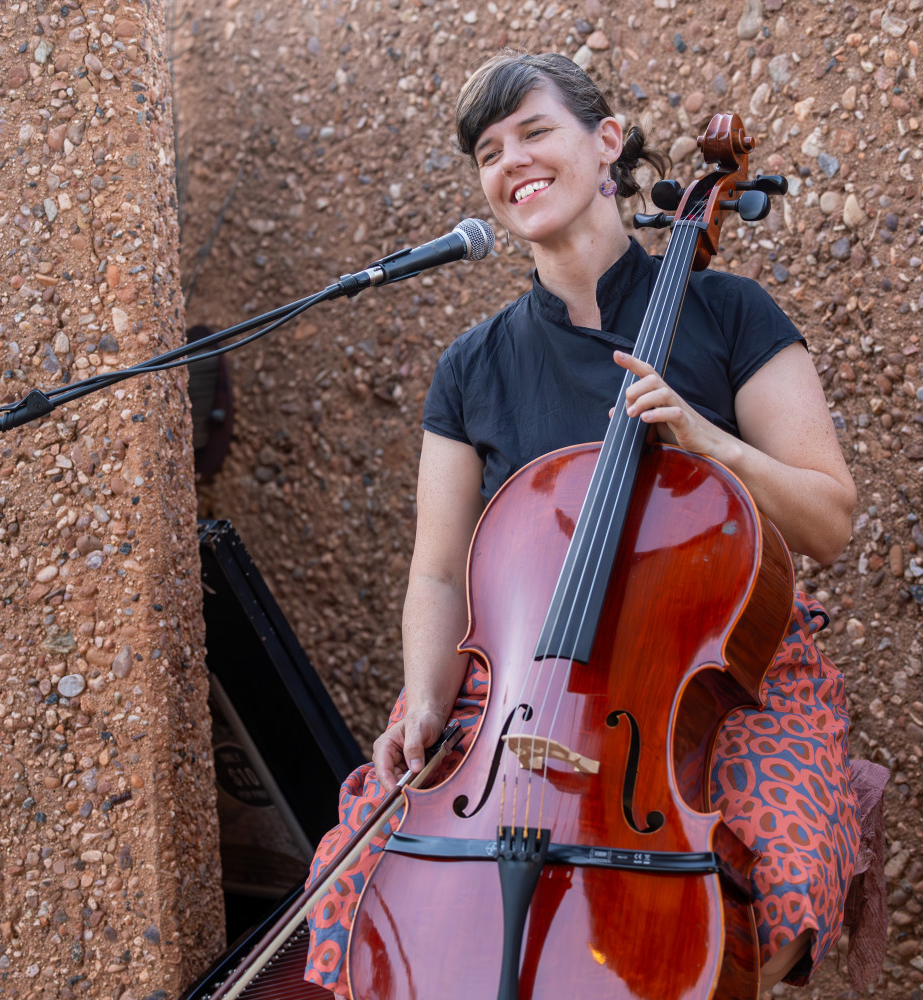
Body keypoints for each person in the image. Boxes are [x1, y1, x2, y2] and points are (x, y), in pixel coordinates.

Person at [304, 51, 862, 997]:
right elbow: (440, 574)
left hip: (721, 670)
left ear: (606, 144)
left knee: (777, 878)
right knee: (359, 889)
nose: (511, 160)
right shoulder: (471, 367)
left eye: (533, 131)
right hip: (519, 693)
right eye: (488, 149)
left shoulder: (728, 312)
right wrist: (427, 701)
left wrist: (712, 446)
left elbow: (831, 519)